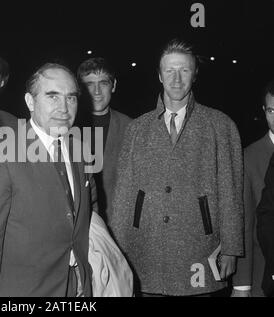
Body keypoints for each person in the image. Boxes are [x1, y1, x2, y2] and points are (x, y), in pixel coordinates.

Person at [109, 39, 244, 296]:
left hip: (200, 251)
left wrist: (231, 248)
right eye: (170, 70)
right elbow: (123, 196)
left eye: (184, 70)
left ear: (195, 75)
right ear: (159, 76)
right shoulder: (137, 128)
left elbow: (231, 192)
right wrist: (116, 250)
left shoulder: (220, 125)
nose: (177, 78)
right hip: (145, 251)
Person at [0, 63, 97, 297]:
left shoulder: (81, 151)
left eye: (71, 98)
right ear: (30, 102)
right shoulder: (0, 156)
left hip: (77, 288)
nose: (64, 108)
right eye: (52, 97)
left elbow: (87, 216)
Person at [76, 57, 132, 224]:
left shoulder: (132, 128)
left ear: (113, 86)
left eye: (103, 83)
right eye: (89, 84)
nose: (97, 91)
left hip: (118, 227)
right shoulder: (63, 128)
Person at [232, 80, 274, 297]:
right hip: (262, 274)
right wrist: (242, 285)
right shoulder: (249, 157)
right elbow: (244, 225)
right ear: (264, 111)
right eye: (271, 110)